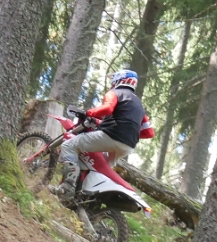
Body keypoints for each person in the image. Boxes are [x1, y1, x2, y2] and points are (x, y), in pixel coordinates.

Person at [54, 69, 154, 202]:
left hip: (111, 137)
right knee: (97, 166)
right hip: (127, 146)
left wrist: (89, 112)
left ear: (119, 80)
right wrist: (128, 133)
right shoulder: (139, 105)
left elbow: (107, 108)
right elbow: (149, 132)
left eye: (113, 80)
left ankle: (67, 188)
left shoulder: (115, 93)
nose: (112, 83)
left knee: (68, 145)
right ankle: (84, 195)